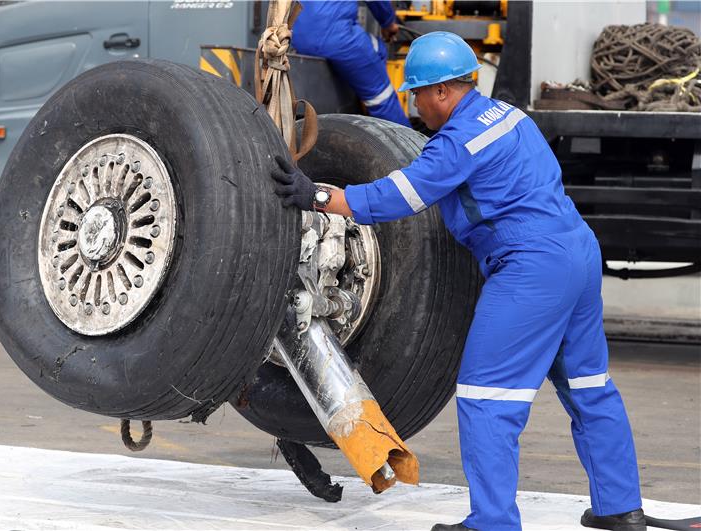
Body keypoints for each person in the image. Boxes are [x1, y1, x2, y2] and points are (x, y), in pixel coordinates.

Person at [271, 32, 644, 531]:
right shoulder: (510, 116)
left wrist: (314, 196)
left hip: (530, 267)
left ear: (442, 91)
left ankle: (492, 522)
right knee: (589, 386)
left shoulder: (458, 141)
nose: (416, 106)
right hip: (577, 253)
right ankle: (621, 508)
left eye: (417, 94)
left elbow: (396, 197)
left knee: (486, 395)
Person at [292, 1, 411, 127]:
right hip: (339, 39)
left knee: (378, 48)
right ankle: (407, 141)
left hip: (299, 39)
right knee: (382, 97)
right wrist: (388, 23)